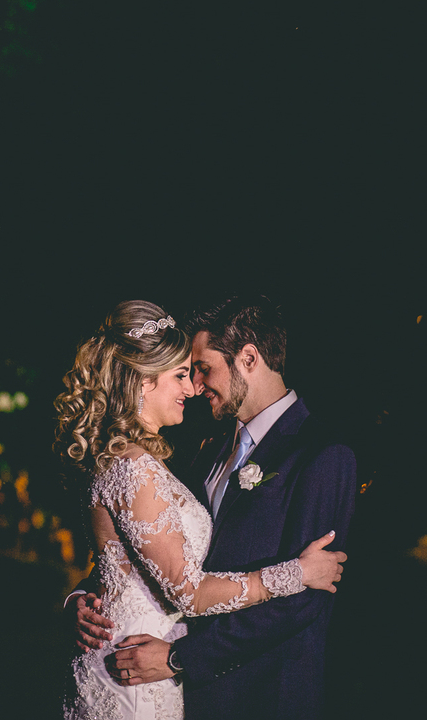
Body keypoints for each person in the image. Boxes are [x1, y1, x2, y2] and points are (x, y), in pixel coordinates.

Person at [58, 300, 346, 720]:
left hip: (259, 691)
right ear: (142, 381)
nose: (194, 386)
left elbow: (302, 605)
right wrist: (81, 599)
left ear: (248, 358)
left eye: (201, 368)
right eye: (183, 373)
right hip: (151, 673)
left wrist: (181, 657)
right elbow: (144, 560)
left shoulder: (322, 455)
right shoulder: (203, 452)